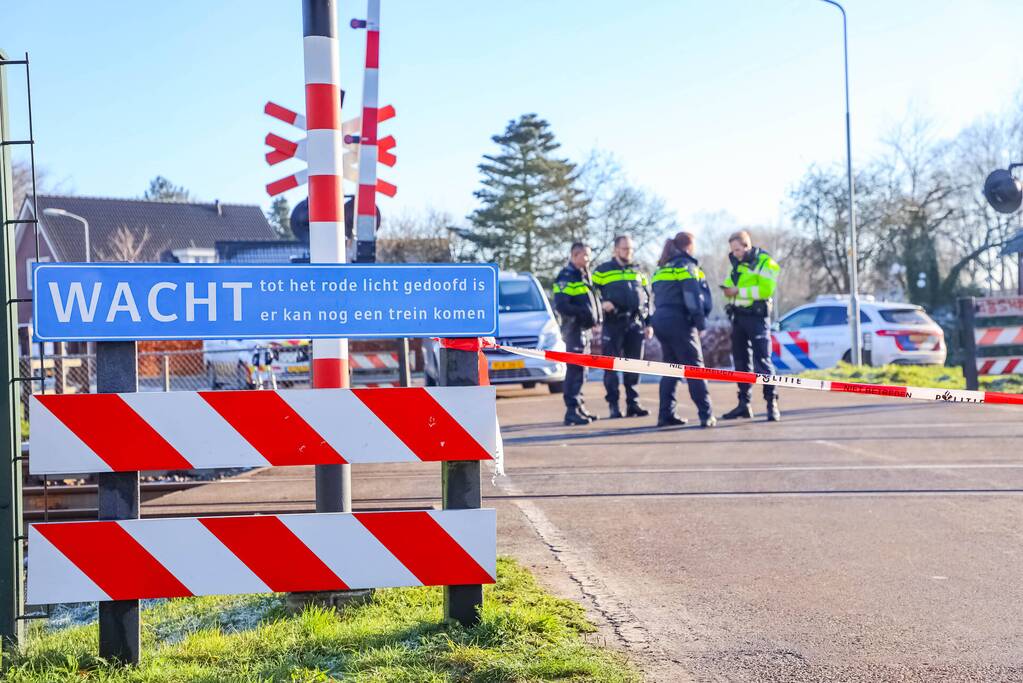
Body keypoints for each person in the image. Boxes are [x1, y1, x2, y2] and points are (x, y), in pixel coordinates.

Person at [650, 231, 715, 428]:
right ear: (689, 246)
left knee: (671, 369)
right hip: (679, 321)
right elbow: (692, 297)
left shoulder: (661, 269)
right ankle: (706, 414)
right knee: (694, 368)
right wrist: (700, 322)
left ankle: (665, 415)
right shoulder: (687, 266)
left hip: (661, 320)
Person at [721, 230, 782, 421]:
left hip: (756, 318)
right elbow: (728, 285)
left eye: (738, 249)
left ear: (747, 245)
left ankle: (771, 404)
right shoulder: (736, 264)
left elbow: (765, 290)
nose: (735, 253)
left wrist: (738, 291)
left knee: (763, 361)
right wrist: (729, 291)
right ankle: (743, 404)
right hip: (738, 318)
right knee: (740, 363)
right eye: (733, 250)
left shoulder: (766, 262)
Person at [592, 235, 653, 419]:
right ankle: (613, 405)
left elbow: (648, 298)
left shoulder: (639, 270)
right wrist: (602, 304)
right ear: (616, 250)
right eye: (625, 249)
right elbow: (591, 294)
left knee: (635, 365)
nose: (629, 252)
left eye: (631, 249)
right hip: (613, 323)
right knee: (610, 365)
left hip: (635, 324)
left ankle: (633, 404)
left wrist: (648, 323)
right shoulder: (602, 271)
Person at [553, 242, 602, 426]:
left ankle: (579, 406)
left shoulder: (584, 275)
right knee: (575, 370)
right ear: (575, 256)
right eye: (585, 255)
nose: (588, 259)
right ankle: (571, 411)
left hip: (584, 330)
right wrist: (582, 314)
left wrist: (595, 319)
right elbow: (562, 305)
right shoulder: (566, 276)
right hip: (574, 330)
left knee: (583, 370)